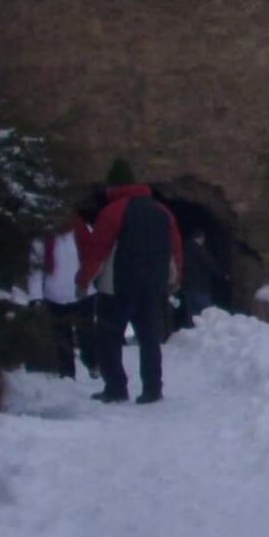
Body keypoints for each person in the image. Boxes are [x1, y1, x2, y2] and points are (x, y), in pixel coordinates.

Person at [80, 161, 183, 405]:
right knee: (149, 338)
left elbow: (98, 251)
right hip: (153, 286)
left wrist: (83, 280)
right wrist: (176, 277)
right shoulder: (162, 211)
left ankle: (116, 388)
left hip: (118, 286)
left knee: (109, 337)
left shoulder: (112, 212)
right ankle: (152, 388)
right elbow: (175, 248)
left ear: (113, 186)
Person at [26, 207, 91, 378]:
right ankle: (67, 373)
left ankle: (93, 363)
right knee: (61, 336)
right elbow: (35, 270)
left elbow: (93, 258)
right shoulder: (41, 240)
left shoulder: (81, 232)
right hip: (54, 295)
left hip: (82, 293)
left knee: (87, 333)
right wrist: (36, 296)